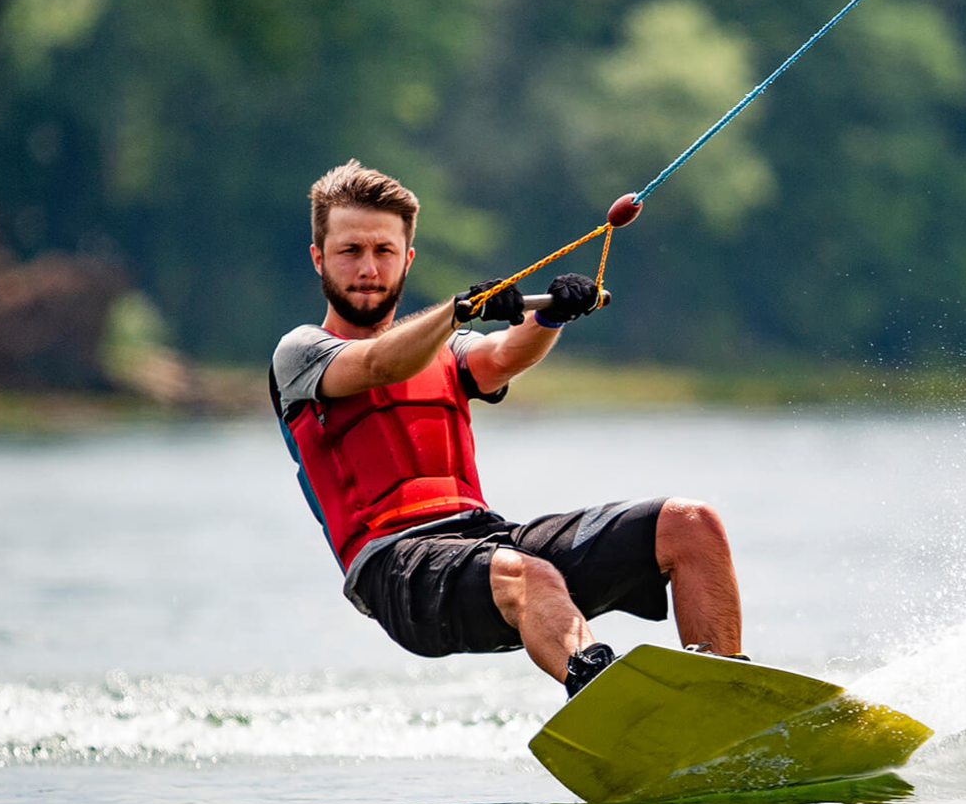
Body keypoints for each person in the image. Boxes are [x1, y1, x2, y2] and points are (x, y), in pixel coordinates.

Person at [269, 160, 745, 697]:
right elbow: (379, 365)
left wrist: (550, 316)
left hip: (483, 539)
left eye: (384, 251)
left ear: (407, 257)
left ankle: (723, 699)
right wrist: (457, 310)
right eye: (350, 251)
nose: (368, 268)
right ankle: (611, 699)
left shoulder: (444, 349)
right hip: (396, 571)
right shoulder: (300, 353)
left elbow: (500, 357)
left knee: (690, 524)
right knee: (530, 574)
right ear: (319, 259)